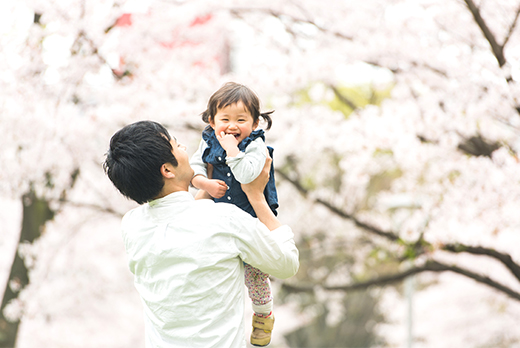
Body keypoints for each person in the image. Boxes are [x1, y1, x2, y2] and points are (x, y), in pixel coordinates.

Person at [103, 120, 299, 348]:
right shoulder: (225, 219)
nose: (185, 148)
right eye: (176, 145)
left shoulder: (132, 225)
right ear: (167, 170)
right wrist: (255, 196)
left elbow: (184, 221)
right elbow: (287, 264)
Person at [189, 82, 278, 346]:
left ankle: (263, 315)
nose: (232, 126)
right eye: (225, 119)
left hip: (251, 217)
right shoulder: (206, 141)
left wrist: (231, 150)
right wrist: (204, 183)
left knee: (255, 272)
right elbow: (193, 168)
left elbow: (248, 174)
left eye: (241, 120)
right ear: (211, 120)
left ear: (255, 122)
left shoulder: (255, 145)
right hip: (218, 218)